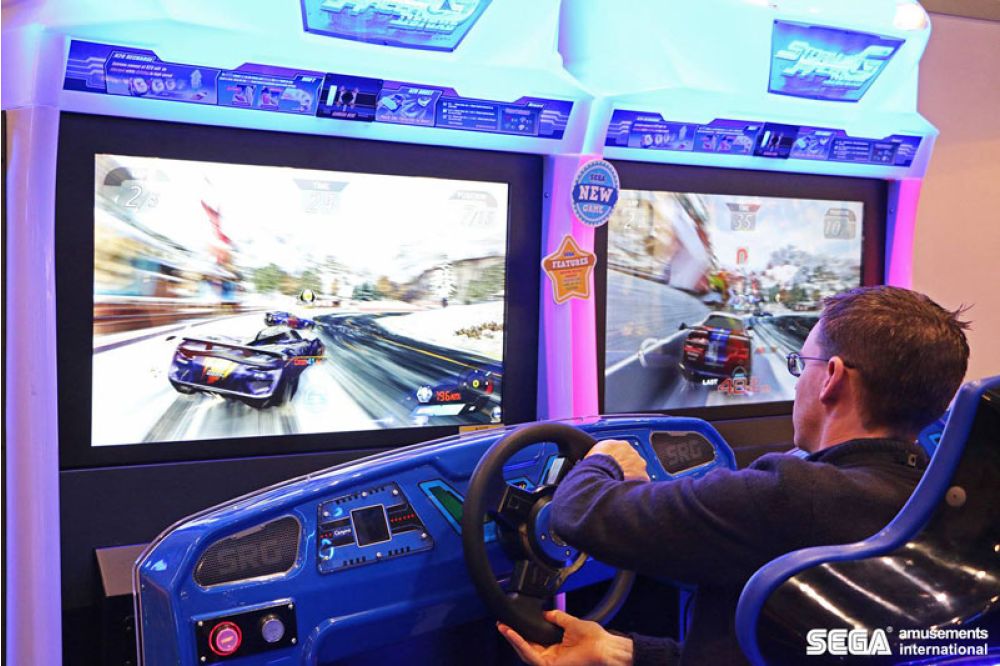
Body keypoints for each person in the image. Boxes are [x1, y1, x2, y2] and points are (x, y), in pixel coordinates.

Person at [498, 285, 970, 665]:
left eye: (798, 365)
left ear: (832, 378)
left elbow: (580, 513)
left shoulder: (791, 496)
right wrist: (626, 652)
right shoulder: (937, 505)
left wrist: (605, 460)